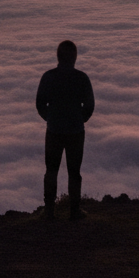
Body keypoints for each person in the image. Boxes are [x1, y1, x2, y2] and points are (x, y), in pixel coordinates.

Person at [35, 40, 95, 220]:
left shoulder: (48, 76)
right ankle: (74, 211)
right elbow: (90, 105)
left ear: (58, 57)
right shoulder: (81, 78)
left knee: (51, 170)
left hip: (54, 131)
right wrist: (79, 119)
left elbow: (40, 104)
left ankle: (49, 211)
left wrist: (51, 118)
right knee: (74, 172)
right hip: (76, 132)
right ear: (75, 57)